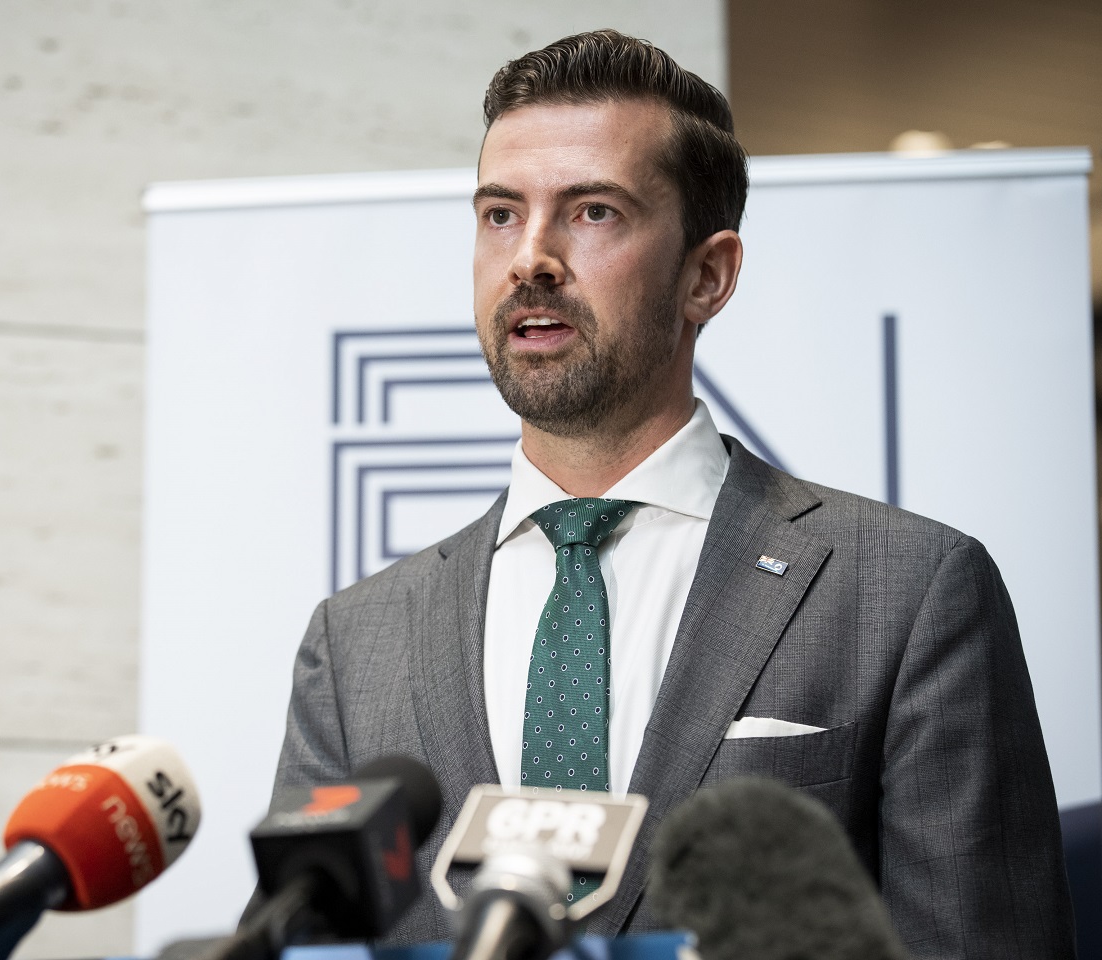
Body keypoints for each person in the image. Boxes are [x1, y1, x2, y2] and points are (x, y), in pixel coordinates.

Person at [270, 29, 1074, 958]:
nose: (530, 258)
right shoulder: (355, 643)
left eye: (593, 211)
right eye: (500, 214)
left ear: (708, 275)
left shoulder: (912, 591)